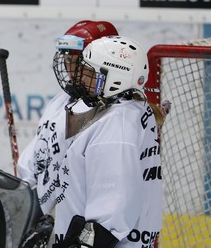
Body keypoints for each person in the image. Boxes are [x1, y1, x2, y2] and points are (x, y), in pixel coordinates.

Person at [15, 20, 120, 247]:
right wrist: (27, 202)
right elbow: (38, 156)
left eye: (77, 61)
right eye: (66, 59)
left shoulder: (113, 113)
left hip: (83, 229)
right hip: (48, 223)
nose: (69, 68)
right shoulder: (60, 102)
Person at [51, 35, 163, 247]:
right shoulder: (129, 109)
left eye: (89, 73)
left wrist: (83, 244)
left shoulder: (116, 127)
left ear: (116, 77)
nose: (81, 78)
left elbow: (111, 211)